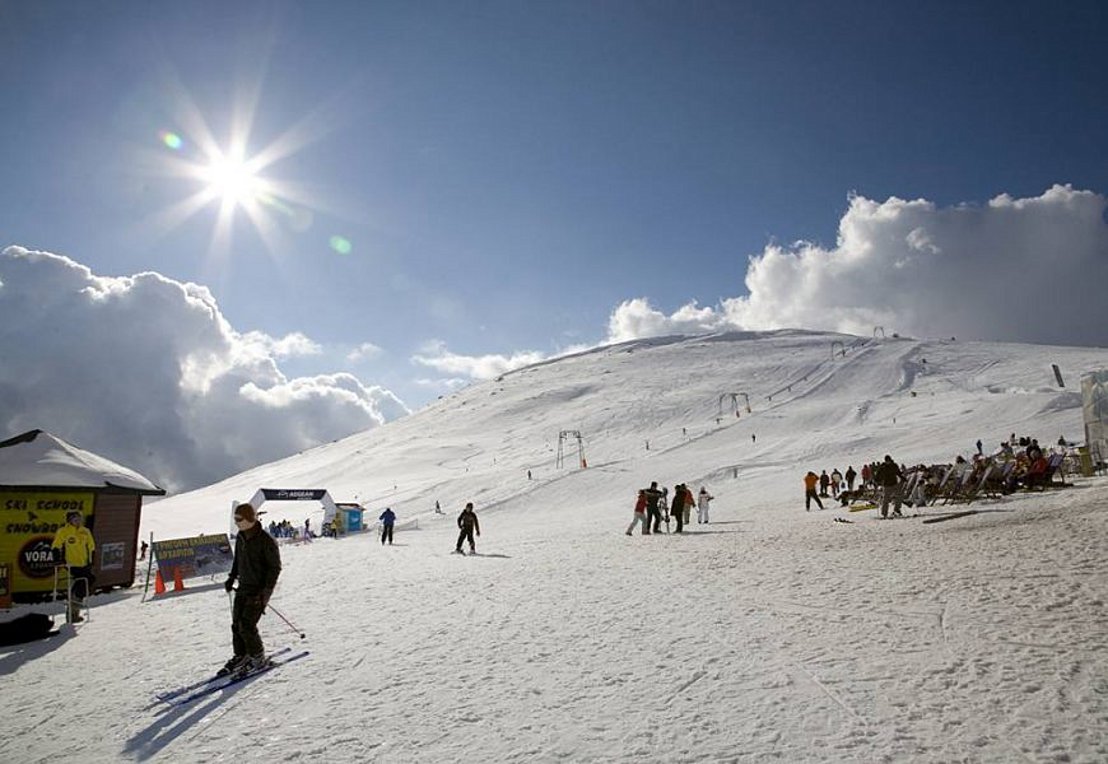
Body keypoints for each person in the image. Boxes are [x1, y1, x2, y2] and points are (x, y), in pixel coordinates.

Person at [221, 503, 282, 676]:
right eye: (235, 519)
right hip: (243, 586)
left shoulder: (266, 540)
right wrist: (232, 577)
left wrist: (265, 593)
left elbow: (274, 568)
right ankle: (241, 655)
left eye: (239, 519)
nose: (237, 522)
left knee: (247, 625)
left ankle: (258, 657)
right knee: (236, 624)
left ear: (249, 519)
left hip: (258, 590)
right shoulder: (241, 536)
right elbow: (238, 560)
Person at [52, 511, 96, 623]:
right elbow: (56, 545)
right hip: (71, 563)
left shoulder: (85, 531)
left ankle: (73, 603)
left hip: (84, 563)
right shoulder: (64, 531)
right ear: (69, 520)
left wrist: (92, 561)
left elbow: (91, 547)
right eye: (75, 519)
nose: (78, 521)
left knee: (87, 580)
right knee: (84, 581)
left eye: (79, 519)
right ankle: (73, 611)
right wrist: (57, 560)